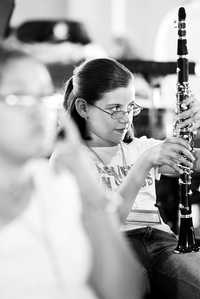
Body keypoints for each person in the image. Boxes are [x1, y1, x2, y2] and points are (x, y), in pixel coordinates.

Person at [0, 44, 153, 299]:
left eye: (44, 98)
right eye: (19, 97)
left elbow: (124, 291)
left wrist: (89, 187)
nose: (38, 111)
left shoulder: (60, 182)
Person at [54, 57, 200, 299]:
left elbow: (195, 160)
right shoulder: (70, 157)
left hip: (161, 242)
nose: (126, 118)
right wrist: (144, 164)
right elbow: (108, 221)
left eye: (130, 107)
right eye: (114, 109)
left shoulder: (138, 147)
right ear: (83, 108)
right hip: (111, 247)